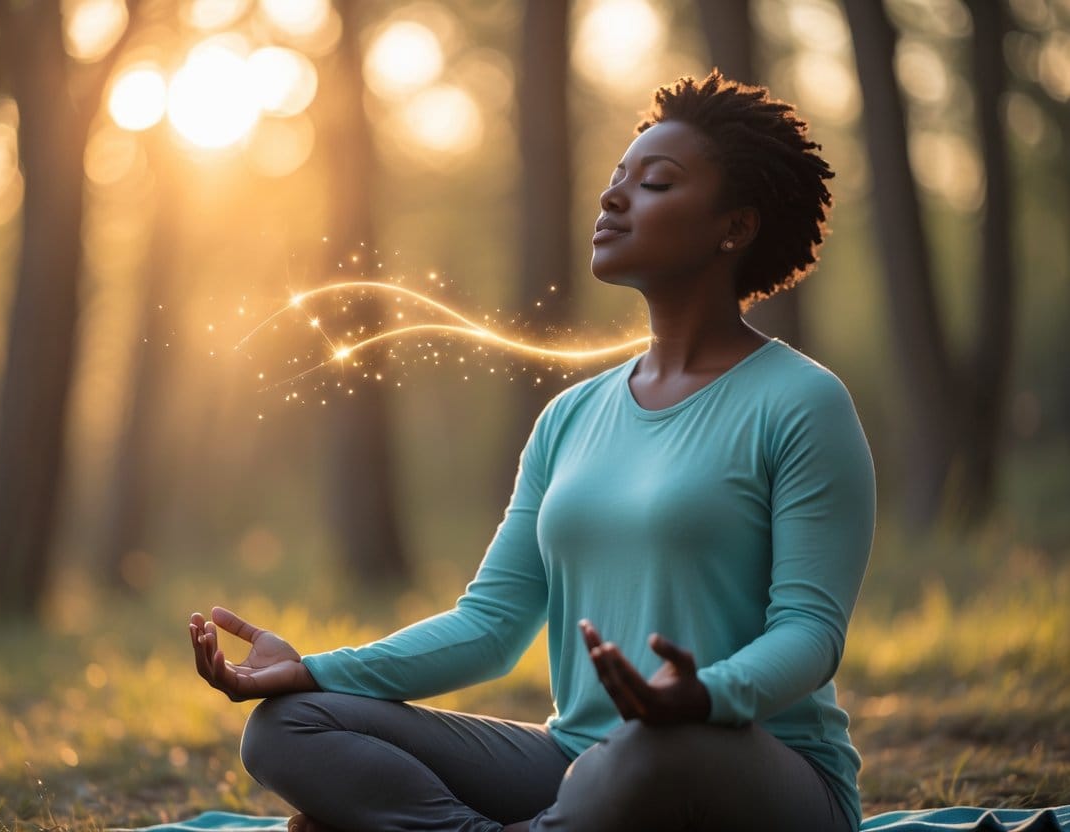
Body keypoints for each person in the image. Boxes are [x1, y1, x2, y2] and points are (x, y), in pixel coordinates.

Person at [189, 70, 875, 832]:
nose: (613, 199)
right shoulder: (570, 416)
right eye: (615, 180)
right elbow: (489, 626)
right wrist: (313, 671)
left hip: (750, 770)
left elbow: (810, 634)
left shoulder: (800, 401)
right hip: (578, 767)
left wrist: (705, 697)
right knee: (290, 726)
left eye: (654, 183)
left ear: (734, 227)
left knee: (649, 752)